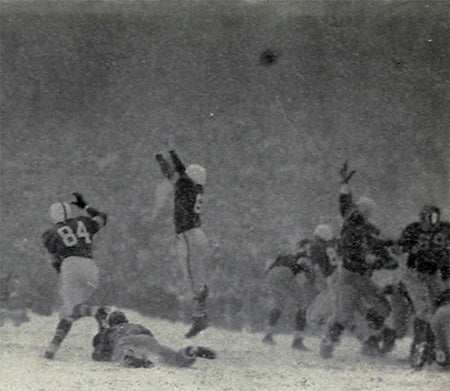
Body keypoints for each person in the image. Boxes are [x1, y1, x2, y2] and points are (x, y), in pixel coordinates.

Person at [320, 161, 395, 359]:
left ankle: (374, 338)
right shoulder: (356, 225)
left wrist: (386, 256)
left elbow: (379, 246)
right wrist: (383, 259)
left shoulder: (361, 228)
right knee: (355, 312)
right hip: (349, 275)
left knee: (375, 309)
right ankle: (369, 338)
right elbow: (346, 206)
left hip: (354, 275)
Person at [42, 193, 110, 359]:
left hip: (70, 265)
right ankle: (99, 323)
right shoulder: (84, 222)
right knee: (73, 309)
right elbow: (102, 217)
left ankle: (53, 347)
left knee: (69, 310)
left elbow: (55, 262)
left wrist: (63, 276)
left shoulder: (50, 233)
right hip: (91, 267)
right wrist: (85, 206)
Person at [156, 148, 211, 338]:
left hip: (188, 235)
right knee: (198, 278)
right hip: (197, 234)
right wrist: (162, 161)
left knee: (191, 279)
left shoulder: (187, 185)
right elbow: (173, 175)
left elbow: (178, 172)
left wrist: (172, 154)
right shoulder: (196, 188)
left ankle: (200, 317)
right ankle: (200, 316)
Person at [397, 205, 450, 369]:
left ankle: (434, 348)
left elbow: (446, 258)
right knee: (425, 310)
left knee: (440, 309)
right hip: (415, 274)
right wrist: (409, 248)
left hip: (434, 275)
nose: (427, 222)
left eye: (431, 217)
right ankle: (420, 348)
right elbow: (398, 248)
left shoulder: (445, 230)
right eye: (424, 217)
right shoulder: (413, 229)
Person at [91, 310, 216, 368]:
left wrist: (98, 354)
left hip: (125, 340)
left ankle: (129, 357)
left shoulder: (111, 330)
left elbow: (100, 350)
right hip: (146, 339)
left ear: (111, 323)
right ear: (126, 320)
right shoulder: (136, 325)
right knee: (169, 356)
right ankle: (188, 353)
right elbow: (150, 336)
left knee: (123, 351)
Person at [262, 238, 319, 350]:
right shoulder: (304, 256)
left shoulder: (288, 254)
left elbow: (269, 266)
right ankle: (297, 341)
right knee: (303, 307)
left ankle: (268, 334)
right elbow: (309, 273)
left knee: (278, 306)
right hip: (285, 274)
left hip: (272, 275)